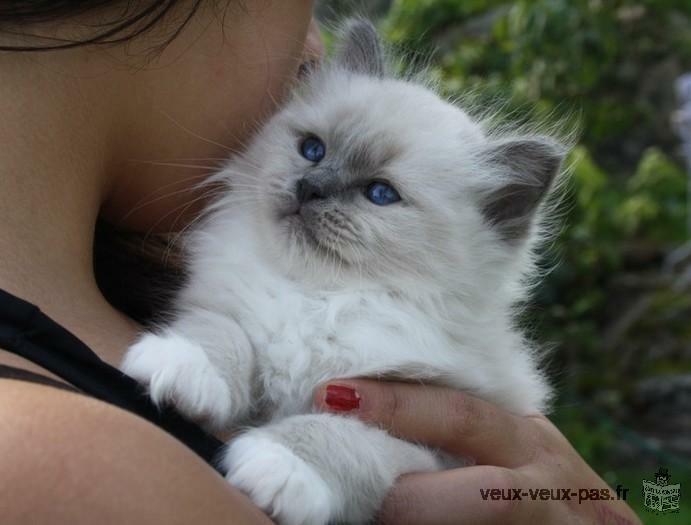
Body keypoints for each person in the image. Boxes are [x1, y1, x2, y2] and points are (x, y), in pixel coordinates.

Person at [0, 1, 642, 523]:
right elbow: (234, 320)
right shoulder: (46, 458)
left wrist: (323, 451)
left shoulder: (122, 283)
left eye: (380, 191)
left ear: (493, 227)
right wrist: (220, 351)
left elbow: (421, 454)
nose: (315, 187)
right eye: (311, 148)